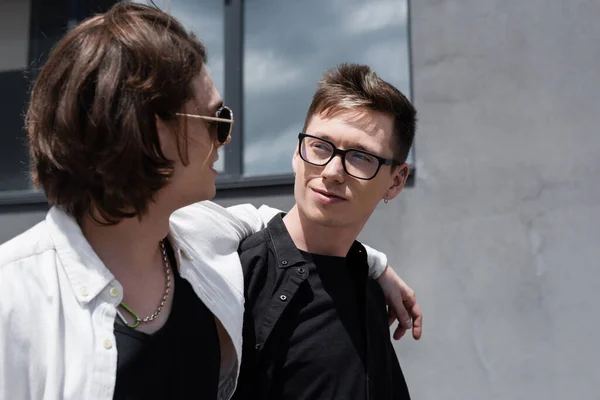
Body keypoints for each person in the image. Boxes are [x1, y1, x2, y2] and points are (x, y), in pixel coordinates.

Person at [0, 4, 420, 400]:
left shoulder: (199, 246)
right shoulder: (15, 298)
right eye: (218, 120)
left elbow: (276, 225)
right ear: (149, 130)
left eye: (360, 157)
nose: (229, 138)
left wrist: (373, 263)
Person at [234, 63, 418, 400]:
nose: (332, 171)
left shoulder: (370, 288)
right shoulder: (237, 274)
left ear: (395, 181)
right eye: (320, 146)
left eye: (360, 156)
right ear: (296, 153)